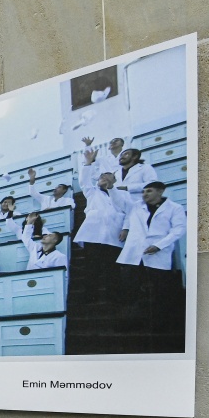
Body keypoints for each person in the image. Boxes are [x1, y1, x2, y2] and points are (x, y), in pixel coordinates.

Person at [116, 181, 187, 347]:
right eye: (143, 191)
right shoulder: (136, 206)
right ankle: (130, 324)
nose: (145, 194)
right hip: (134, 256)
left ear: (160, 191)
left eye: (149, 191)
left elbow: (178, 229)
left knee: (159, 293)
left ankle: (158, 327)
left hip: (158, 255)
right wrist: (112, 187)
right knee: (130, 292)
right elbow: (118, 201)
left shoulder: (174, 208)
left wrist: (159, 245)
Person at [74, 147, 134, 304]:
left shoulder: (123, 194)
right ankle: (90, 297)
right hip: (93, 235)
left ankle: (113, 298)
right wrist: (88, 163)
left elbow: (129, 212)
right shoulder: (92, 192)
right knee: (91, 267)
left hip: (114, 236)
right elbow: (84, 181)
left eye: (107, 175)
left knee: (112, 269)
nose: (103, 177)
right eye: (101, 176)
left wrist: (126, 228)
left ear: (114, 179)